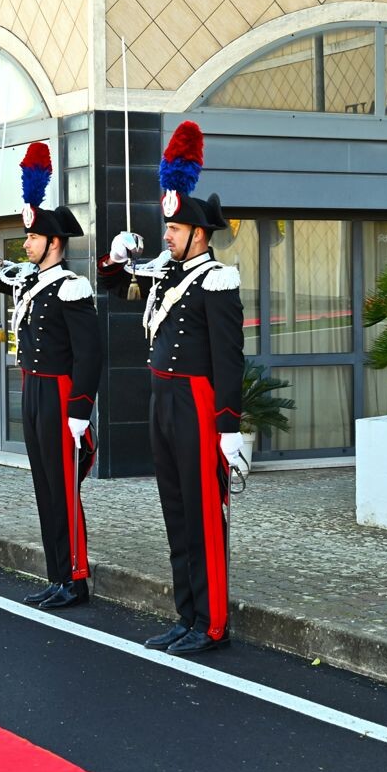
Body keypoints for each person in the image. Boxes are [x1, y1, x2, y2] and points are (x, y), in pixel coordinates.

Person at [99, 120, 246, 655]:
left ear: (200, 234)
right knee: (176, 510)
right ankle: (187, 614)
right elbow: (119, 287)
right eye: (168, 230)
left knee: (204, 513)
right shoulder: (166, 273)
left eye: (176, 230)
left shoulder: (216, 280)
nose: (168, 236)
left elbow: (231, 359)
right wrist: (116, 256)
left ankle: (211, 623)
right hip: (164, 401)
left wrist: (228, 426)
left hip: (198, 404)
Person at [0, 142, 101, 607]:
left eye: (31, 238)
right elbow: (0, 276)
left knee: (64, 486)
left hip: (61, 392)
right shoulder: (31, 281)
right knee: (43, 483)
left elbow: (90, 354)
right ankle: (56, 573)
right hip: (33, 389)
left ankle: (76, 576)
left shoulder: (71, 286)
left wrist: (80, 411)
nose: (24, 244)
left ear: (54, 243)